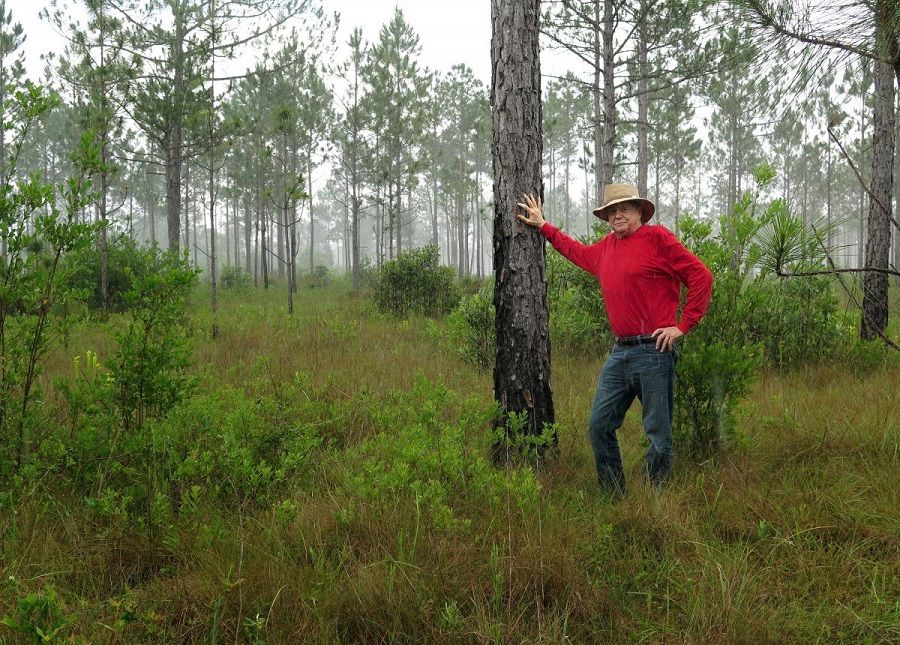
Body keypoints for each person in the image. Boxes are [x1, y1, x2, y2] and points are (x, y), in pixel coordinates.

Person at [516, 184, 713, 496]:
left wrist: (683, 325)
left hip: (655, 350)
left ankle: (654, 500)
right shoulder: (605, 248)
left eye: (624, 208)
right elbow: (575, 251)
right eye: (611, 211)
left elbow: (701, 276)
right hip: (621, 353)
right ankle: (614, 497)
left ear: (638, 212)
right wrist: (544, 226)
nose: (617, 214)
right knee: (599, 426)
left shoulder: (658, 238)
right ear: (606, 217)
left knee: (658, 434)